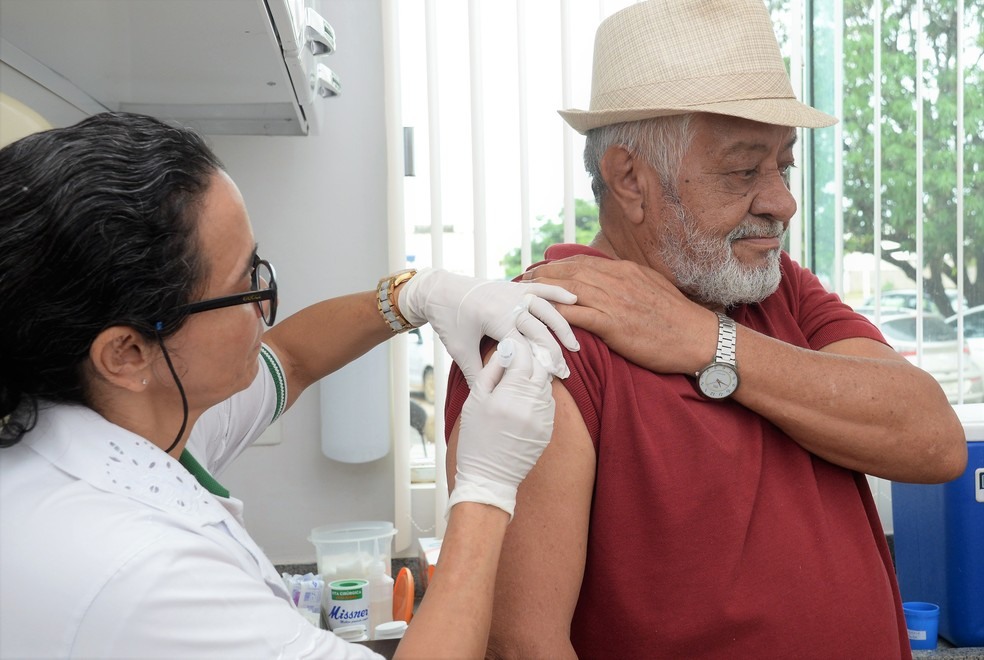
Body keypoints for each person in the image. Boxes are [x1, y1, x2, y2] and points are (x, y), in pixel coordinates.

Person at [444, 1, 968, 657]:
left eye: (785, 165)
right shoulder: (545, 331)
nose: (782, 201)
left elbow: (934, 440)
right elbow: (523, 645)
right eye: (745, 170)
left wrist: (705, 342)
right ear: (630, 178)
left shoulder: (777, 290)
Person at [0, 111, 579, 659]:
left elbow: (293, 360)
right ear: (126, 353)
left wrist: (413, 295)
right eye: (244, 285)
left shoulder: (122, 417)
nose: (266, 302)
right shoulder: (143, 571)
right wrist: (486, 489)